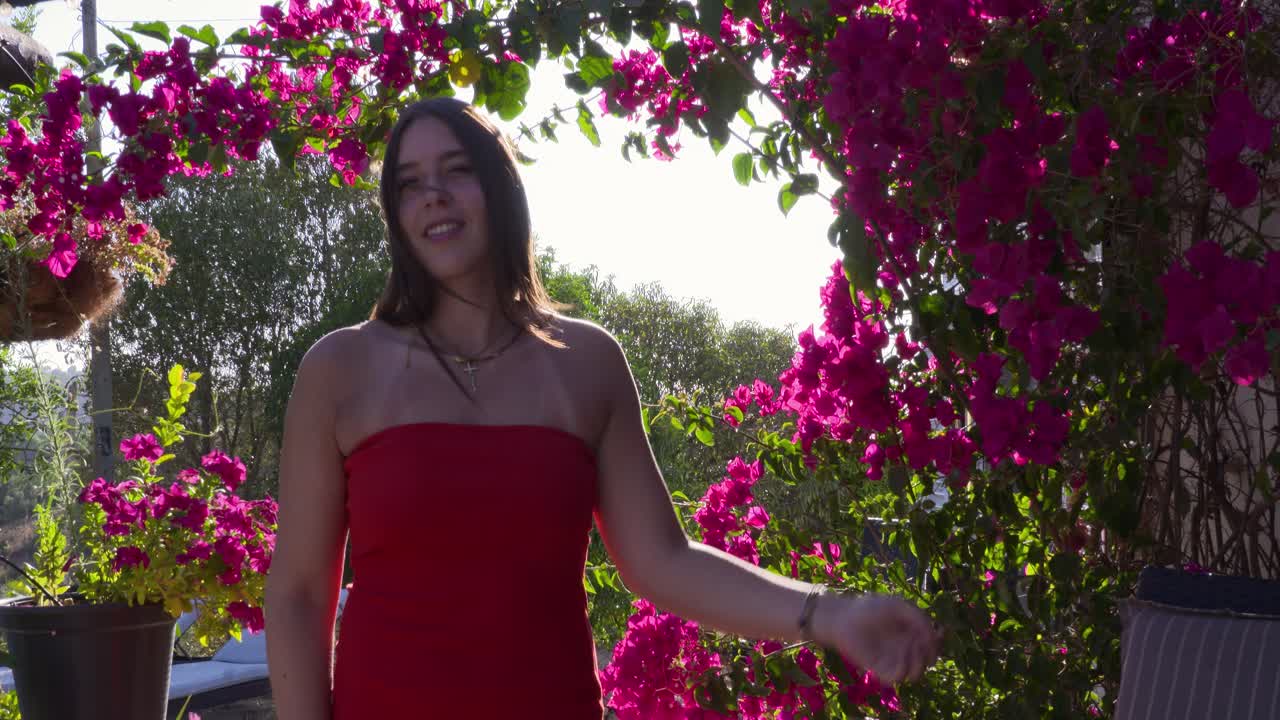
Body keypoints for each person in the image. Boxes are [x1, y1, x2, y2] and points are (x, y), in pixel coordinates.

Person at [264, 96, 940, 719]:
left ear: (501, 188)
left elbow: (663, 563)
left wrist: (828, 615)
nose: (432, 194)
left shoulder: (586, 362)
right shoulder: (340, 368)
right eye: (409, 183)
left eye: (456, 169)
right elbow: (297, 594)